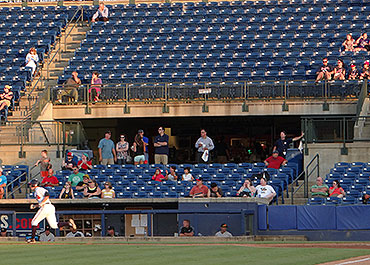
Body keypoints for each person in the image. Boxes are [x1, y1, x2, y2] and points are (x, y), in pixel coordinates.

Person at [27, 179, 76, 243]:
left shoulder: (38, 189)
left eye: (31, 185)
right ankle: (69, 223)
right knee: (54, 225)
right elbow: (42, 201)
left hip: (46, 207)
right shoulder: (37, 191)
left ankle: (32, 239)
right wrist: (35, 206)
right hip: (49, 207)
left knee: (34, 222)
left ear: (34, 184)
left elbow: (47, 195)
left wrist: (42, 203)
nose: (30, 186)